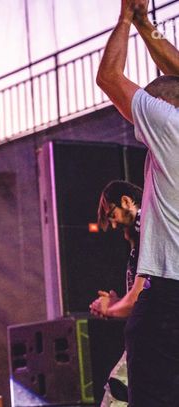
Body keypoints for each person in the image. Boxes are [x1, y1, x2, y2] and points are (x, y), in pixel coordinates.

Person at [96, 1, 179, 405]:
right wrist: (147, 25)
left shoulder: (169, 124)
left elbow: (108, 78)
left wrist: (127, 17)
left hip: (169, 293)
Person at [89, 181, 145, 406]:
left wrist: (109, 309)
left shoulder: (147, 230)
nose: (113, 225)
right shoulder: (140, 237)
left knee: (117, 392)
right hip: (151, 339)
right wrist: (118, 302)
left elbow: (141, 300)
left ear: (126, 201)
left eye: (112, 215)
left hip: (155, 339)